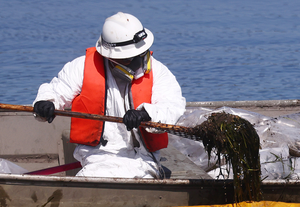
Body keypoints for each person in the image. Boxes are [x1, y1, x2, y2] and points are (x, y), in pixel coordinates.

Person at [32, 12, 186, 178]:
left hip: (144, 158)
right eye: (128, 59)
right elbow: (58, 89)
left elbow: (172, 106)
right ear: (111, 56)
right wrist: (46, 103)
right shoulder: (81, 67)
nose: (136, 62)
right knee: (92, 179)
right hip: (96, 157)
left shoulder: (159, 72)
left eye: (139, 55)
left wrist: (145, 114)